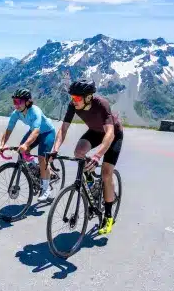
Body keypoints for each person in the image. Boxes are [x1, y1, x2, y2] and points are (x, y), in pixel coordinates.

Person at [50, 79, 123, 234]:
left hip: (113, 135)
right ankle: (91, 184)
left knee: (106, 173)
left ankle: (108, 217)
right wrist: (54, 150)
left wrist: (97, 156)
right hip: (95, 132)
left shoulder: (101, 104)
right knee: (79, 152)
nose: (73, 101)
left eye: (76, 98)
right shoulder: (73, 105)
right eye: (72, 97)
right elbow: (63, 129)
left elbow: (109, 134)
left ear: (88, 97)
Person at [0, 88, 58, 201]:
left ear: (28, 102)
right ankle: (36, 168)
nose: (16, 105)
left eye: (18, 102)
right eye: (14, 102)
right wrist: (2, 145)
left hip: (47, 132)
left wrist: (26, 145)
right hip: (34, 132)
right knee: (22, 150)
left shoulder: (35, 111)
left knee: (41, 158)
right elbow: (8, 130)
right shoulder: (16, 113)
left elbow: (36, 131)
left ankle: (46, 189)